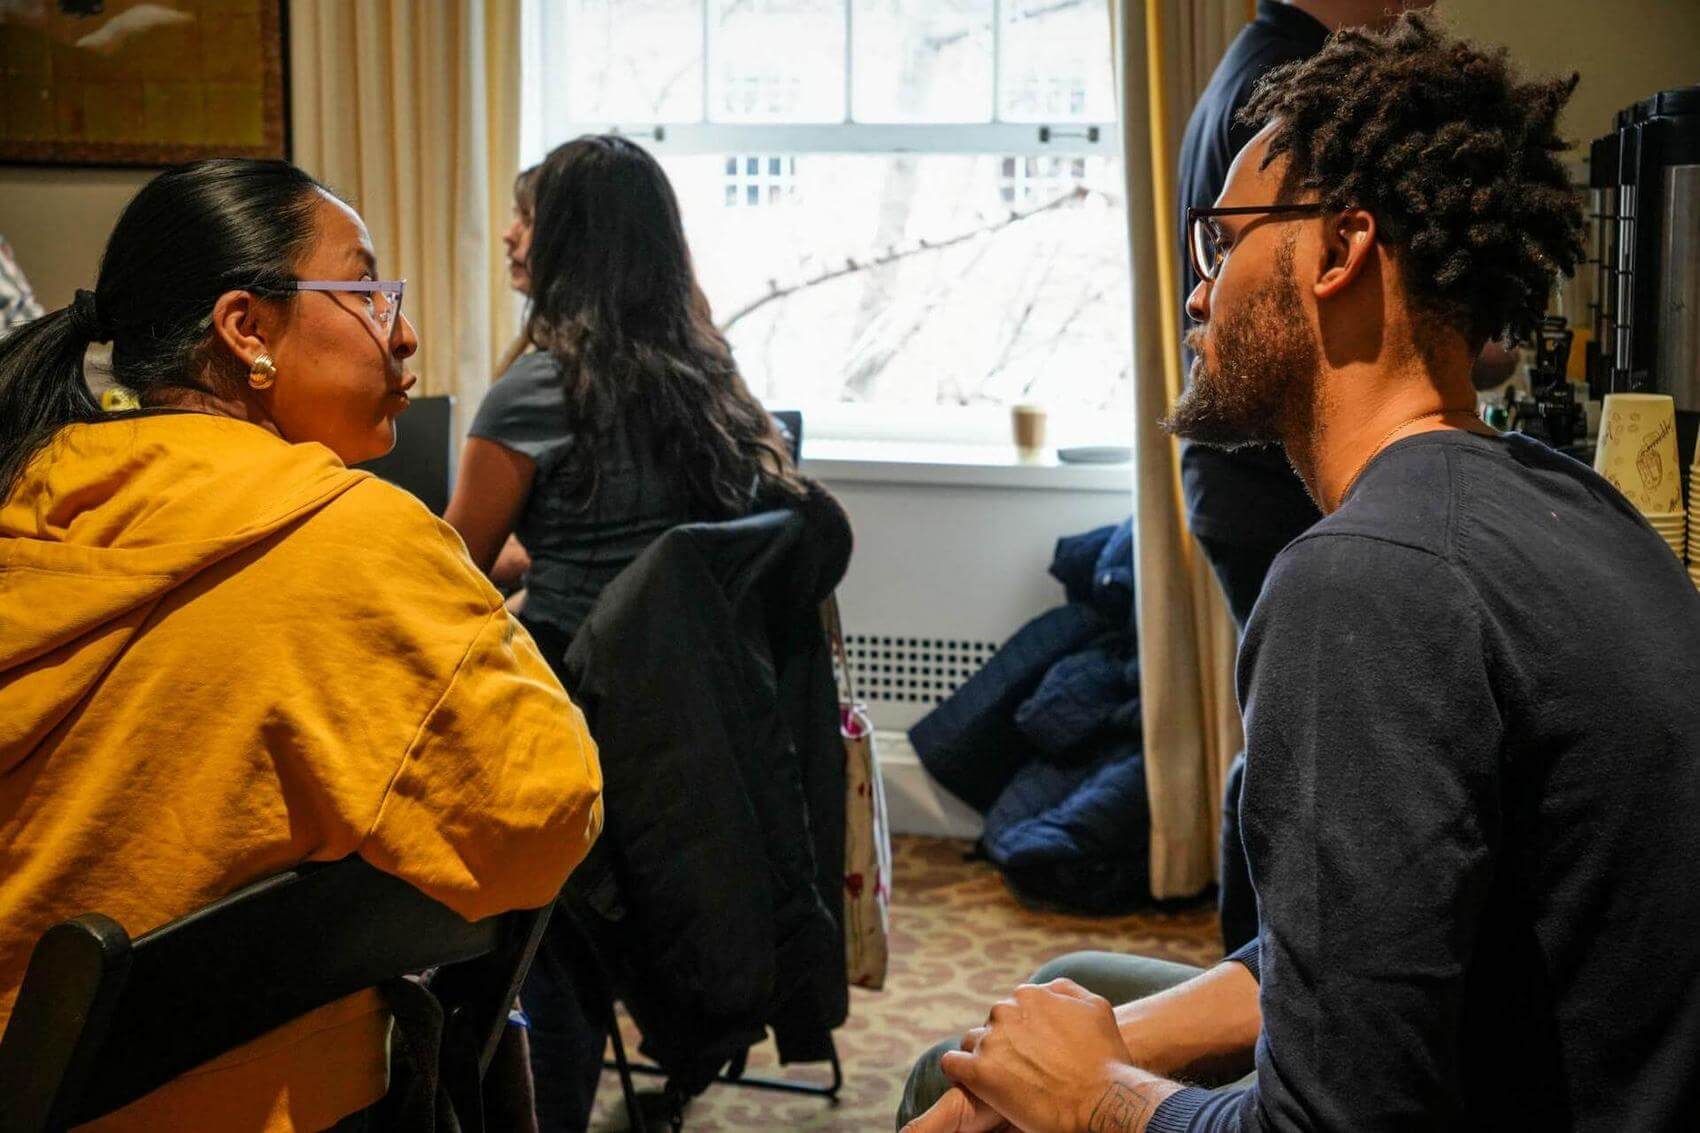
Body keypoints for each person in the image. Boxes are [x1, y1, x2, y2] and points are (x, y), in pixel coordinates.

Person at [899, 14, 1700, 1131]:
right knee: (978, 1055)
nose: (1196, 294)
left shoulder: (1367, 582)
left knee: (946, 1076)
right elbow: (1379, 935)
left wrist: (1090, 1090)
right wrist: (1094, 1046)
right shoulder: (1575, 502)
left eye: (1219, 242)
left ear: (1338, 250)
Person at [0, 158, 604, 1132]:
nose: (401, 330)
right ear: (248, 330)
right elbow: (545, 818)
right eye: (367, 289)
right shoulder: (349, 541)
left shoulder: (33, 499)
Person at [443, 134, 809, 1132]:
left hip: (574, 710)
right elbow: (657, 550)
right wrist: (549, 553)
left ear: (572, 240)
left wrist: (525, 562)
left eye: (528, 214)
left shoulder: (537, 386)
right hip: (686, 720)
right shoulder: (707, 374)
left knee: (533, 946)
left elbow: (449, 564)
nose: (512, 235)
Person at [1180, 0, 1437, 953]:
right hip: (1263, 490)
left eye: (1222, 248)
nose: (1200, 295)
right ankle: (1261, 966)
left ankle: (1266, 973)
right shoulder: (1283, 89)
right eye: (1214, 245)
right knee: (1290, 763)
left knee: (1292, 762)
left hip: (1254, 489)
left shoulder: (1258, 68)